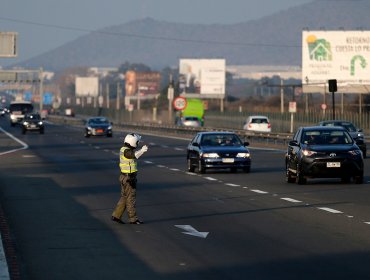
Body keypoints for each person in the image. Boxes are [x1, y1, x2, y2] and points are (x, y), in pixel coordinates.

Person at [111, 133, 148, 225]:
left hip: (125, 177)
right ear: (133, 142)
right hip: (129, 178)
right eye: (137, 142)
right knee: (131, 198)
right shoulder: (126, 151)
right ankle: (133, 219)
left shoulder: (124, 149)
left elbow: (133, 155)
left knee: (124, 197)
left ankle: (116, 215)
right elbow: (133, 155)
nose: (138, 143)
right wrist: (142, 150)